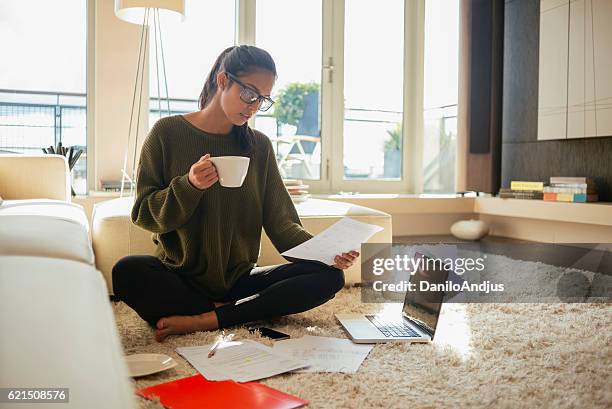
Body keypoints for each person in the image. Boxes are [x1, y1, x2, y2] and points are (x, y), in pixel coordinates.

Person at [112, 45, 360, 342]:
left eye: (263, 99)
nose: (254, 106)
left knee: (330, 277)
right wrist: (189, 185)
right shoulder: (166, 134)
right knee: (127, 271)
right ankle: (235, 313)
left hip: (239, 281)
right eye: (250, 93)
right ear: (222, 81)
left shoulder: (259, 147)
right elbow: (144, 214)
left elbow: (282, 225)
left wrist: (326, 254)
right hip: (178, 277)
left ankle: (208, 318)